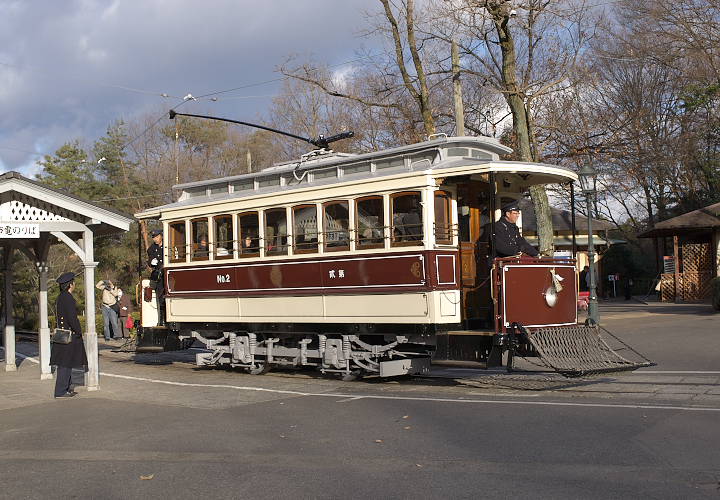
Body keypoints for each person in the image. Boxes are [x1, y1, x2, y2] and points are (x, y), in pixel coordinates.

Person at [51, 272, 88, 398]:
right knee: (65, 363)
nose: (74, 284)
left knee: (65, 362)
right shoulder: (68, 297)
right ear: (70, 284)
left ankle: (66, 387)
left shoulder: (61, 297)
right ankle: (61, 391)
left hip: (62, 334)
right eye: (73, 282)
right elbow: (72, 318)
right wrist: (78, 331)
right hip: (68, 335)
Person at [147, 228, 165, 324]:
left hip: (167, 274)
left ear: (161, 236)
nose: (155, 239)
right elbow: (150, 261)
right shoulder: (151, 249)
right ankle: (161, 320)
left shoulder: (167, 246)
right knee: (160, 299)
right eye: (154, 237)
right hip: (159, 276)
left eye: (157, 237)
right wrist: (152, 262)